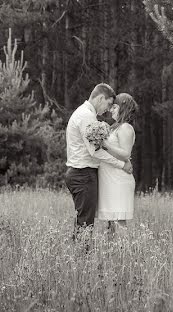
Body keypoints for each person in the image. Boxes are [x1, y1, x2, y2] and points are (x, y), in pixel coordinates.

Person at [64, 83, 132, 241]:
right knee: (86, 222)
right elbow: (95, 150)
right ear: (101, 98)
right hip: (83, 174)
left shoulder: (84, 113)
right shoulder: (86, 116)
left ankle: (79, 255)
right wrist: (122, 165)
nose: (108, 110)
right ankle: (83, 258)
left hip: (80, 173)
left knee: (83, 219)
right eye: (108, 104)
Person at [96, 93, 137, 231]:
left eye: (114, 107)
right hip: (109, 179)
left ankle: (123, 252)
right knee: (110, 221)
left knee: (119, 221)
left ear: (123, 108)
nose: (111, 110)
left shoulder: (126, 128)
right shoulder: (115, 127)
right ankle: (112, 252)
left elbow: (126, 154)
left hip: (119, 180)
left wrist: (104, 144)